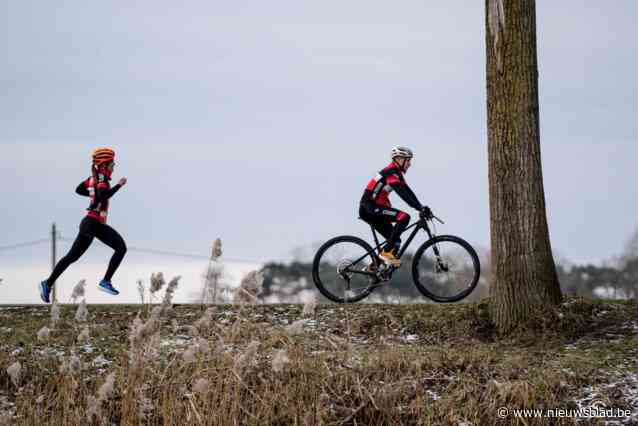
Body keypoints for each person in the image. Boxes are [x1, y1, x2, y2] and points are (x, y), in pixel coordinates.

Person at [39, 148, 128, 303]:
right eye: (112, 164)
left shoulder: (93, 179)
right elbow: (104, 195)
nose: (114, 167)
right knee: (120, 248)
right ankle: (105, 281)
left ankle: (47, 283)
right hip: (92, 224)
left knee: (71, 257)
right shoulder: (102, 181)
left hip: (91, 224)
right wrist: (119, 185)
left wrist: (92, 195)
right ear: (104, 165)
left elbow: (79, 189)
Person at [359, 146, 432, 267]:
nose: (409, 164)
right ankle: (386, 252)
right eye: (407, 160)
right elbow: (402, 193)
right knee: (403, 217)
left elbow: (408, 191)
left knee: (396, 241)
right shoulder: (390, 172)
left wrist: (421, 206)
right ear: (398, 159)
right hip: (369, 207)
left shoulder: (397, 174)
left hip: (375, 207)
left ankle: (374, 269)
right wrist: (419, 208)